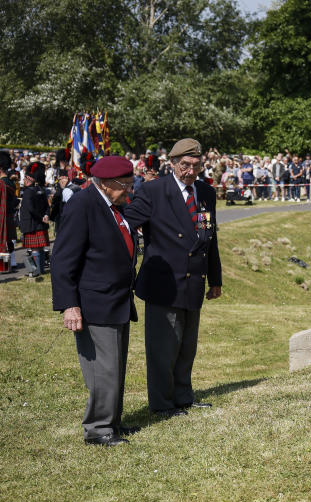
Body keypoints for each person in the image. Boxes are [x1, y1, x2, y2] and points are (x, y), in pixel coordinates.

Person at [121, 138, 222, 418]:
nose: (190, 171)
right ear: (173, 164)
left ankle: (183, 396)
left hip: (193, 281)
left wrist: (215, 279)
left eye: (196, 165)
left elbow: (209, 238)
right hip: (163, 283)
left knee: (187, 347)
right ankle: (162, 403)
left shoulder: (205, 193)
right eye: (185, 165)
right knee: (163, 350)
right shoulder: (154, 190)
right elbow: (126, 225)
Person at [51, 156, 139, 446]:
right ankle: (98, 429)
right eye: (124, 185)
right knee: (105, 369)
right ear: (104, 183)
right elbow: (63, 259)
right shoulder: (83, 204)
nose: (129, 190)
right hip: (95, 302)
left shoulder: (113, 205)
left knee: (115, 367)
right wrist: (69, 304)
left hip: (117, 300)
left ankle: (112, 422)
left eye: (130, 183)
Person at [19, 161, 51, 277]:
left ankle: (36, 271)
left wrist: (42, 217)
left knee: (35, 249)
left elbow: (31, 209)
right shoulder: (41, 190)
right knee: (40, 248)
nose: (24, 180)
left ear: (32, 179)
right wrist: (46, 215)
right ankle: (41, 270)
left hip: (32, 224)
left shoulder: (28, 192)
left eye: (27, 178)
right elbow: (47, 206)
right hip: (40, 224)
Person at [0, 151, 20, 270]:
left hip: (2, 213)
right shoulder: (10, 182)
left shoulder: (2, 183)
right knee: (9, 239)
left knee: (3, 239)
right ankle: (11, 263)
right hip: (9, 213)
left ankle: (4, 266)